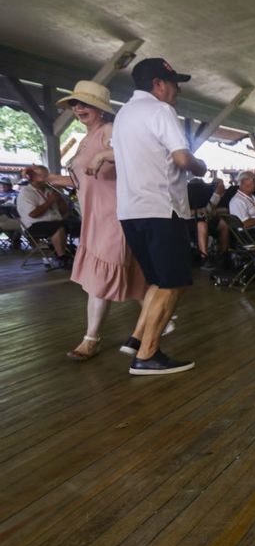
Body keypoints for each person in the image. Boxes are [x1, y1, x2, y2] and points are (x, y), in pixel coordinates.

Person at [112, 57, 207, 375]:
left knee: (159, 280)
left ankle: (137, 338)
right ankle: (148, 355)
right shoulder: (160, 110)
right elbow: (181, 158)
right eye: (174, 84)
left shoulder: (124, 114)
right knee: (173, 283)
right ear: (158, 84)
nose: (177, 91)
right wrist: (201, 167)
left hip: (130, 210)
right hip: (161, 208)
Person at [46, 81, 149, 360]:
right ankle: (159, 316)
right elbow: (83, 179)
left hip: (114, 214)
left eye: (85, 104)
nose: (78, 108)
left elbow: (136, 156)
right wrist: (48, 178)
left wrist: (104, 154)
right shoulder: (85, 140)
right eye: (75, 104)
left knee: (100, 278)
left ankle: (91, 339)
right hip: (94, 216)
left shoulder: (110, 132)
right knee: (132, 274)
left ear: (101, 110)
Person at [16, 165, 72, 266]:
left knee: (77, 224)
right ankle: (62, 257)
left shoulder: (49, 190)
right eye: (44, 176)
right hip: (34, 226)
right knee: (58, 227)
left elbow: (63, 212)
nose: (48, 178)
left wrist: (59, 199)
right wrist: (49, 202)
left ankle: (76, 252)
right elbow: (33, 214)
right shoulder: (26, 192)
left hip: (54, 221)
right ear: (34, 177)